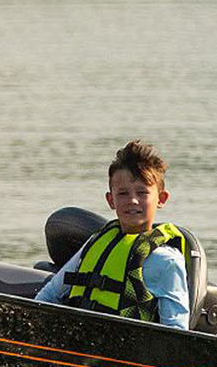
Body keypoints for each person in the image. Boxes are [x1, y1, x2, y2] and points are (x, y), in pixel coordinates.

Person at [34, 139, 191, 328]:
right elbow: (50, 295)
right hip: (79, 340)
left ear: (161, 198)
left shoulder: (166, 262)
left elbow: (176, 332)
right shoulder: (97, 242)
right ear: (110, 200)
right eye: (123, 193)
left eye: (142, 192)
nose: (132, 200)